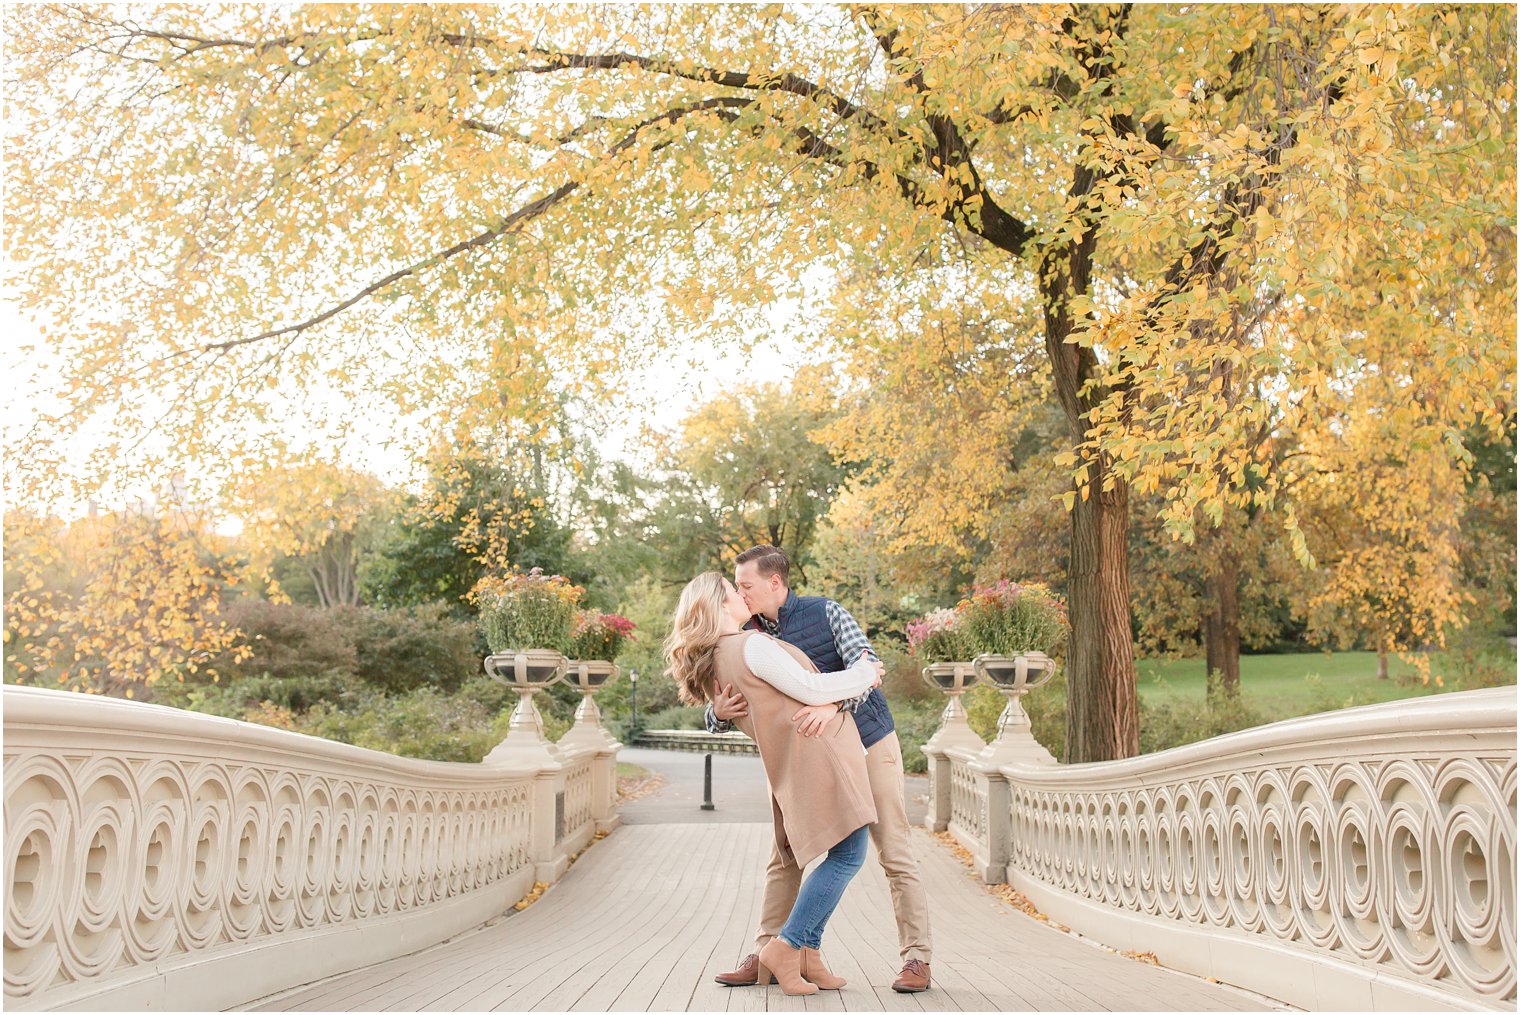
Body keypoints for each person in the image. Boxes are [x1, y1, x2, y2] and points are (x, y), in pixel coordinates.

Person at [707, 544, 933, 993]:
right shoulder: (746, 635)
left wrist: (831, 704)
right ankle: (770, 951)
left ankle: (917, 958)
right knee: (785, 852)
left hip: (868, 742)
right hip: (803, 758)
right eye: (738, 587)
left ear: (775, 582)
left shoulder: (827, 612)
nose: (741, 593)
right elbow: (729, 709)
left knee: (893, 850)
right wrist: (716, 712)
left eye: (746, 585)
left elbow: (869, 668)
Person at [666, 572, 883, 995]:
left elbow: (755, 705)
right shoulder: (752, 645)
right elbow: (810, 688)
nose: (741, 594)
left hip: (790, 761)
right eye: (734, 591)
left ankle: (809, 955)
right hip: (816, 756)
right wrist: (865, 674)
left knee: (826, 853)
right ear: (719, 605)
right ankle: (788, 946)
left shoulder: (717, 656)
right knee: (849, 854)